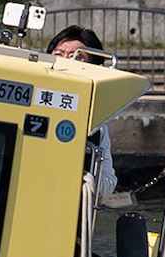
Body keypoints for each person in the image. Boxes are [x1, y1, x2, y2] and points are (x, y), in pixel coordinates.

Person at [47, 25, 118, 201]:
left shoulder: (96, 125)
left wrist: (83, 175)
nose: (66, 61)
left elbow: (108, 184)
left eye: (77, 57)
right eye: (59, 54)